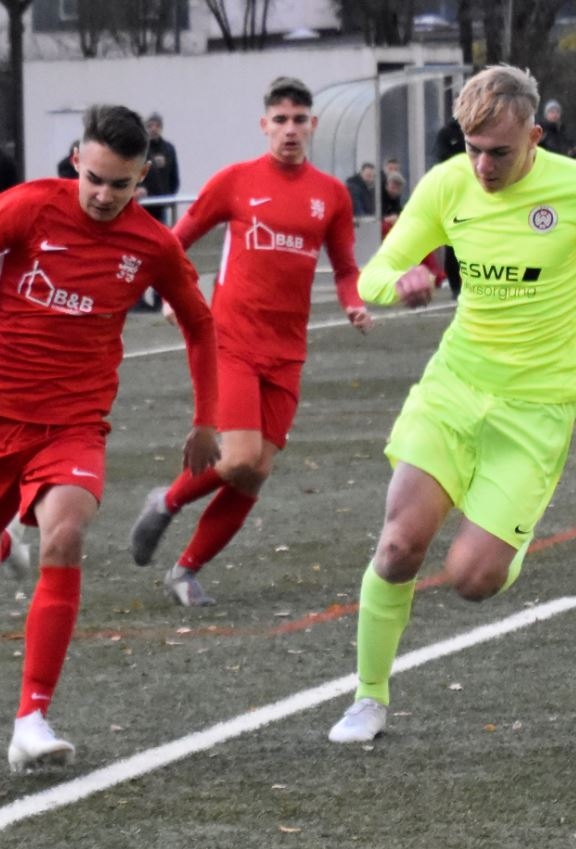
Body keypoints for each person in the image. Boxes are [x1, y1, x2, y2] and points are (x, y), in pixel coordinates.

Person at [327, 65, 576, 743]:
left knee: (473, 579)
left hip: (536, 408)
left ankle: (505, 541)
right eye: (472, 149)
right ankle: (368, 698)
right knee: (400, 546)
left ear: (534, 135)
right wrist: (395, 285)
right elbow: (373, 273)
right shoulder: (447, 184)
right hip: (454, 387)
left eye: (498, 151)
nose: (483, 166)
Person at [0, 104, 220, 772]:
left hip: (75, 423)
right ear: (77, 160)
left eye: (121, 184)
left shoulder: (152, 246)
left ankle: (31, 719)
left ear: (143, 178)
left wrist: (206, 419)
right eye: (95, 178)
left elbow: (201, 325)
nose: (104, 195)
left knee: (67, 535)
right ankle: (0, 542)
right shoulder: (27, 208)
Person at [127, 76, 373, 607]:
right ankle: (167, 501)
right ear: (264, 125)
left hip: (287, 350)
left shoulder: (331, 195)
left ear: (313, 125)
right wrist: (172, 293)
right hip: (231, 339)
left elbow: (345, 268)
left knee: (255, 472)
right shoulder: (236, 181)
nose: (290, 129)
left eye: (299, 120)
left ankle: (184, 571)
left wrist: (353, 301)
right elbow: (173, 242)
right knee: (240, 459)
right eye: (280, 120)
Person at [432, 116, 466, 300]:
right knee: (453, 240)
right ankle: (455, 286)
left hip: (475, 192)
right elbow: (441, 158)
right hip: (453, 193)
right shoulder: (446, 134)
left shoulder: (478, 131)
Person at [140, 112, 180, 224]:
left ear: (161, 128)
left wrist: (169, 197)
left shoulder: (169, 149)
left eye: (157, 126)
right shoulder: (141, 150)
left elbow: (174, 177)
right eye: (150, 126)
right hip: (144, 203)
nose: (154, 129)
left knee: (161, 230)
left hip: (162, 202)